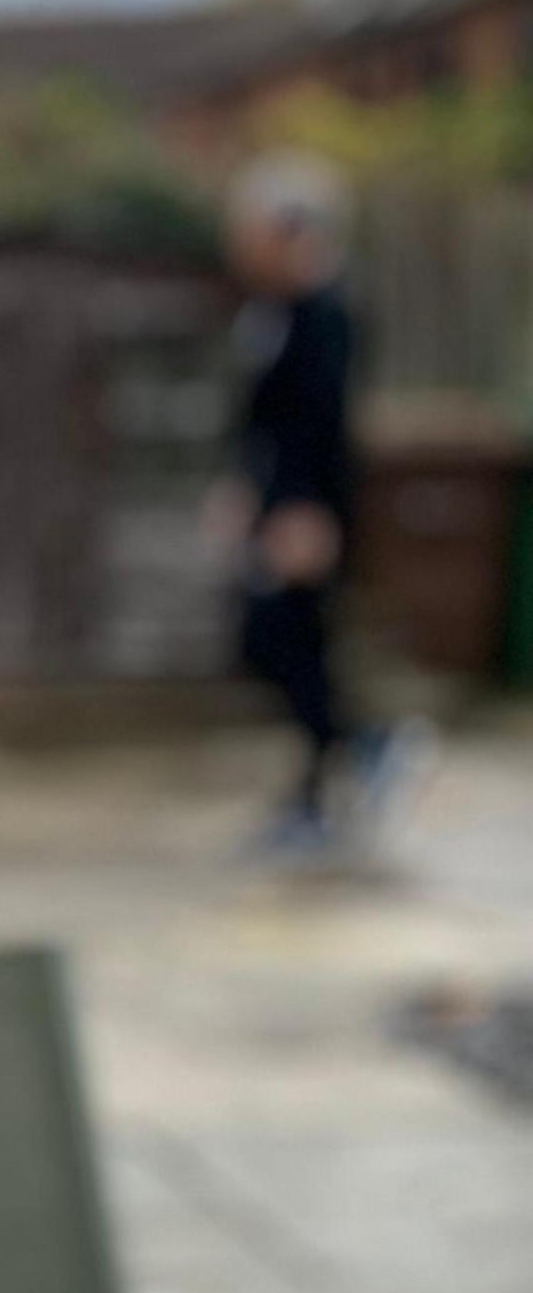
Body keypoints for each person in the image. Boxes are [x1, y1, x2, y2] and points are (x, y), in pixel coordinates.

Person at [215, 151, 429, 857]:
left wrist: (306, 512)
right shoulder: (273, 310)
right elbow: (260, 421)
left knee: (290, 639)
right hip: (276, 504)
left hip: (306, 512)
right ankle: (341, 767)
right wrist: (243, 491)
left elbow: (321, 425)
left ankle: (346, 766)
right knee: (276, 642)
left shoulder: (326, 313)